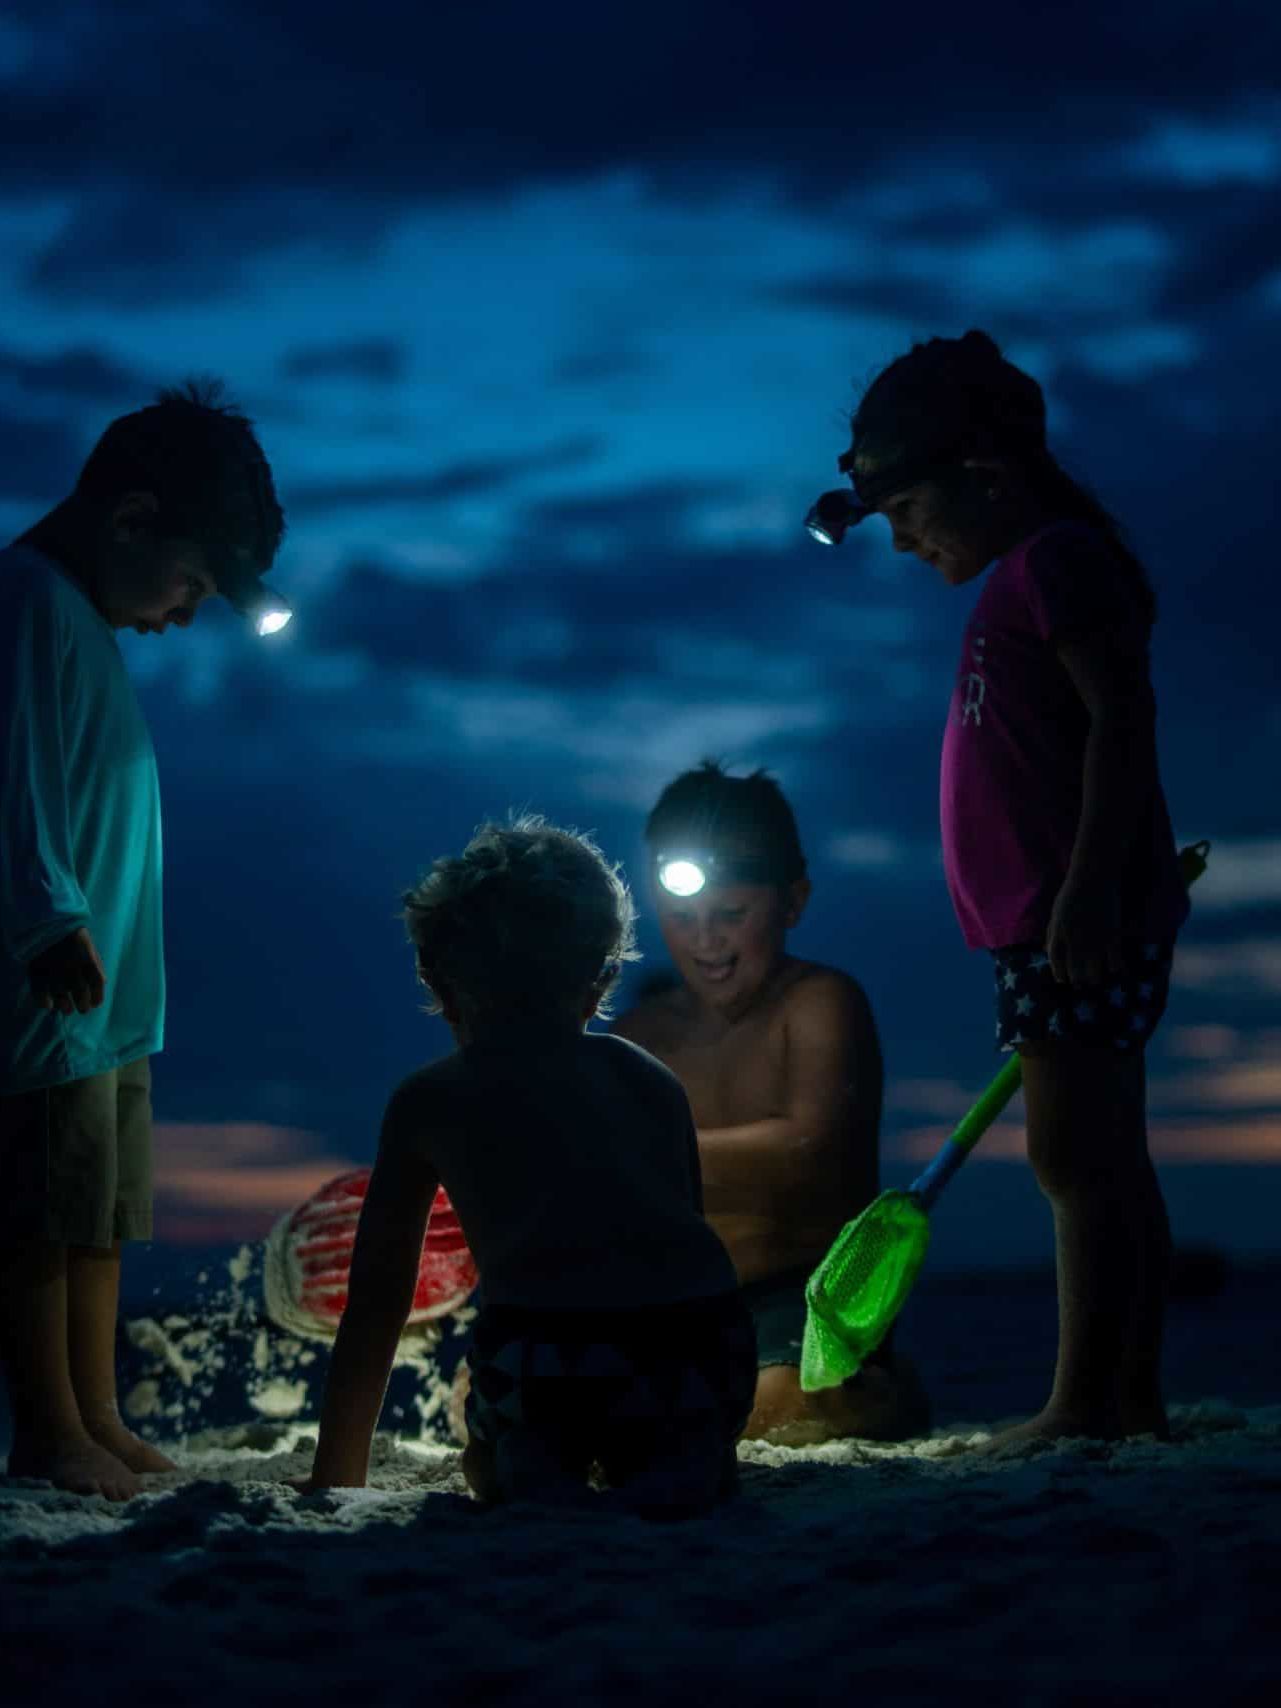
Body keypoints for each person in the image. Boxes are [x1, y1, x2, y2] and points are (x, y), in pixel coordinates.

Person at [814, 329, 1189, 1448]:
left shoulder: (1058, 561)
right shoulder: (1029, 576)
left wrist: (1084, 889)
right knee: (1096, 1153)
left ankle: (1086, 1404)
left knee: (1079, 1156)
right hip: (1049, 925)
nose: (900, 542)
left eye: (905, 513)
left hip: (1074, 923)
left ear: (982, 475)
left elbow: (1124, 724)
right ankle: (1125, 1398)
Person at [1, 381, 287, 1499]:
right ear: (130, 522)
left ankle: (97, 1413)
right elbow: (13, 777)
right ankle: (47, 1427)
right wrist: (46, 918)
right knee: (37, 1208)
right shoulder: (25, 597)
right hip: (53, 980)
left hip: (111, 992)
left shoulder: (81, 619)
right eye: (190, 583)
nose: (184, 614)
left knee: (100, 1209)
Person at [301, 817, 755, 1517]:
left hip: (554, 1357)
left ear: (437, 980)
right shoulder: (647, 1078)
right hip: (700, 1348)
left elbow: (377, 1301)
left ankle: (532, 1465)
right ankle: (684, 1456)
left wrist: (335, 1473)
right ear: (600, 982)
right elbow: (686, 1234)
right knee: (668, 1418)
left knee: (492, 1452)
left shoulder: (430, 1099)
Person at [613, 763, 929, 1445]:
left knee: (777, 1411)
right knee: (519, 1400)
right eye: (682, 918)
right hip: (670, 1301)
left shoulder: (818, 1002)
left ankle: (879, 1388)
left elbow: (806, 1149)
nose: (707, 940)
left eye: (731, 915)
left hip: (800, 1293)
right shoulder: (636, 1035)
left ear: (792, 902)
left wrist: (625, 1155)